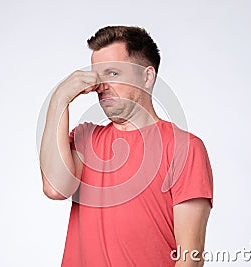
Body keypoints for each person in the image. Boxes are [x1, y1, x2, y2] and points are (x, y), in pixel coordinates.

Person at [40, 26, 213, 267]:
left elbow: (190, 257)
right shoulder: (85, 138)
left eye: (112, 73)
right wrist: (60, 98)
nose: (101, 86)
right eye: (97, 77)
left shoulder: (185, 148)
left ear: (147, 76)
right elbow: (55, 188)